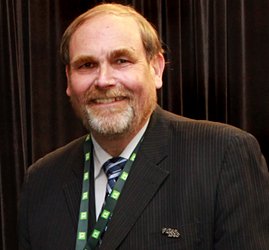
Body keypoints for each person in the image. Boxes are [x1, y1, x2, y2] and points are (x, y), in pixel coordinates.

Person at [18, 3, 269, 250]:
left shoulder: (223, 155)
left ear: (156, 68)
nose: (104, 80)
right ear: (69, 80)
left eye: (122, 60)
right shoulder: (41, 180)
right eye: (87, 65)